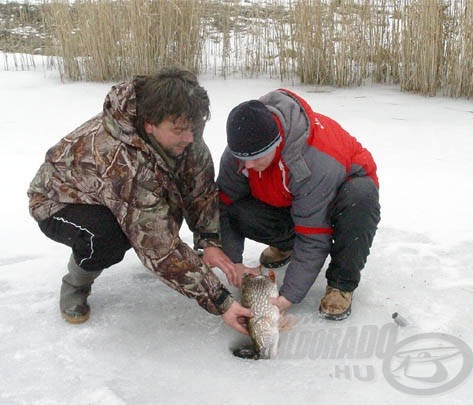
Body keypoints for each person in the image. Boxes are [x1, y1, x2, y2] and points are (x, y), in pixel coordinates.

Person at [28, 67, 254, 334]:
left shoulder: (186, 137)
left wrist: (209, 242)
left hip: (116, 193)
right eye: (180, 130)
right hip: (59, 201)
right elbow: (158, 246)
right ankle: (76, 283)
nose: (190, 137)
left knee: (162, 206)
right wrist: (221, 301)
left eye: (193, 127)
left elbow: (200, 191)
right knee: (111, 238)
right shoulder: (122, 160)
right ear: (149, 124)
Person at [217, 89, 381, 320]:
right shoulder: (243, 153)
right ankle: (286, 244)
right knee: (238, 209)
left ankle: (341, 284)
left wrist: (287, 297)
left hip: (341, 196)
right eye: (243, 159)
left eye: (256, 158)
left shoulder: (311, 161)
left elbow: (314, 236)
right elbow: (223, 206)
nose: (249, 165)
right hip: (292, 198)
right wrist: (232, 264)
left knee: (360, 197)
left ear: (276, 144)